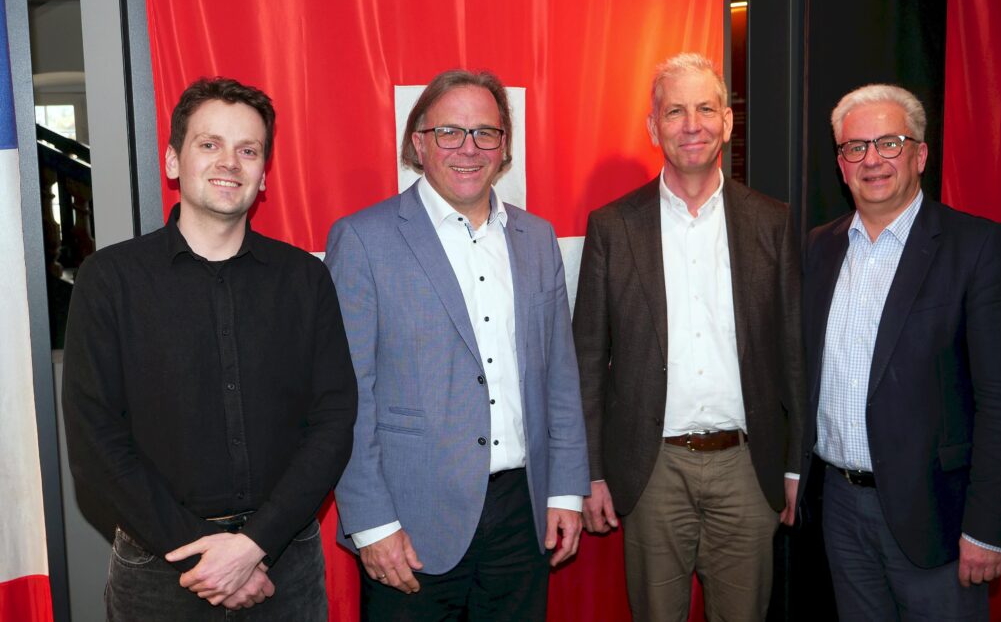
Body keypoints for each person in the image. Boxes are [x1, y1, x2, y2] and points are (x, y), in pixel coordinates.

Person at [62, 77, 357, 620]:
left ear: (263, 173)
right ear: (173, 161)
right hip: (159, 567)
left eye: (248, 149)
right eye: (209, 144)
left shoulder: (304, 280)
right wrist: (206, 554)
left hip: (283, 561)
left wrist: (253, 546)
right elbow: (94, 439)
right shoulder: (110, 280)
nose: (230, 162)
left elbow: (334, 420)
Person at [326, 69, 589, 620]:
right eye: (450, 132)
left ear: (504, 147)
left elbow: (560, 375)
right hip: (411, 523)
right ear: (419, 143)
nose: (468, 149)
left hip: (522, 514)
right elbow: (348, 396)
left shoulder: (536, 239)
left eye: (485, 133)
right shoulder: (363, 239)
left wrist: (565, 490)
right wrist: (372, 523)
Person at [573, 52, 804, 621]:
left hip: (748, 470)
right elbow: (586, 362)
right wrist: (592, 472)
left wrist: (795, 464)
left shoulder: (773, 223)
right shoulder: (612, 227)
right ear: (654, 127)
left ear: (728, 121)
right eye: (675, 111)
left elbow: (794, 353)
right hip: (651, 472)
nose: (691, 124)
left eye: (705, 108)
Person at [801, 84, 1001, 620]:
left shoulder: (979, 248)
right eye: (855, 148)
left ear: (921, 154)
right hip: (841, 511)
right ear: (841, 165)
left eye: (889, 143)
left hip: (939, 518)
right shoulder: (821, 247)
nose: (873, 160)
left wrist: (988, 528)